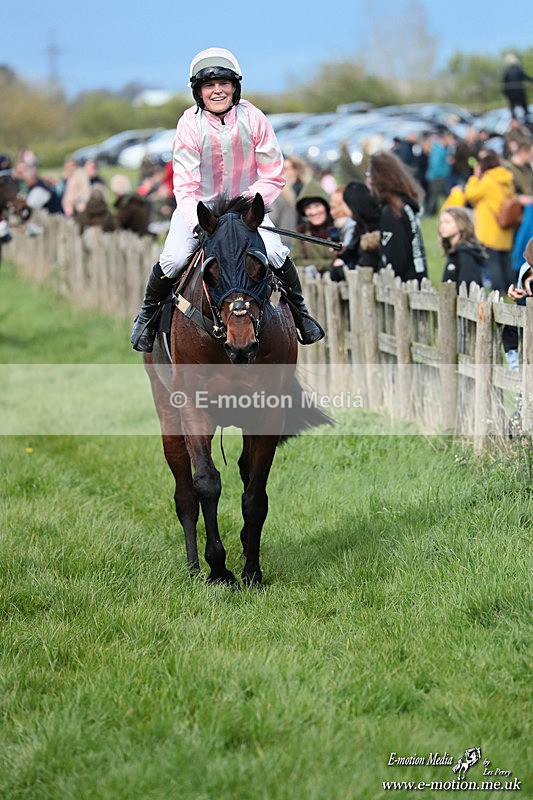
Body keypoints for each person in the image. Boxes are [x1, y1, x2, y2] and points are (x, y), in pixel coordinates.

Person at [131, 48, 323, 351]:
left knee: (276, 252)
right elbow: (185, 184)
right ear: (198, 91)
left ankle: (301, 315)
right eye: (209, 86)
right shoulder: (189, 125)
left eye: (223, 84)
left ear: (235, 87)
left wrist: (245, 212)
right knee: (174, 258)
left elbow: (273, 173)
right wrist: (201, 224)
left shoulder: (255, 118)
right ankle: (147, 318)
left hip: (247, 210)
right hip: (200, 211)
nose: (217, 91)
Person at [367, 150, 428, 283]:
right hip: (417, 281)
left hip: (403, 287)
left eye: (370, 175)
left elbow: (395, 258)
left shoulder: (392, 211)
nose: (369, 180)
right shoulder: (406, 205)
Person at [463, 150, 516, 291]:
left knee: (492, 262)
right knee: (505, 261)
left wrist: (474, 177)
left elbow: (470, 194)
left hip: (489, 228)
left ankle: (497, 290)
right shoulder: (506, 180)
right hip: (504, 227)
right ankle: (510, 288)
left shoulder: (487, 181)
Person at [289, 179, 341, 277]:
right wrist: (330, 263)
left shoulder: (338, 227)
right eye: (308, 208)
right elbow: (297, 261)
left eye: (317, 205)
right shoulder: (301, 233)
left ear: (325, 206)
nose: (313, 212)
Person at [438, 206, 485, 291]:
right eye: (441, 222)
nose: (442, 226)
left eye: (447, 222)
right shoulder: (455, 252)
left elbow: (468, 287)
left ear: (462, 224)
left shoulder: (465, 254)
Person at [341, 181, 381, 271]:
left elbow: (365, 264)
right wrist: (343, 252)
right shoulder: (360, 226)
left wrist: (341, 271)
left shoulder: (373, 230)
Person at [502, 54, 533, 126]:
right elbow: (525, 77)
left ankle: (515, 121)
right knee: (524, 106)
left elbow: (504, 83)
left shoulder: (507, 71)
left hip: (511, 93)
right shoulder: (518, 69)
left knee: (513, 108)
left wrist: (505, 93)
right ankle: (527, 120)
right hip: (519, 91)